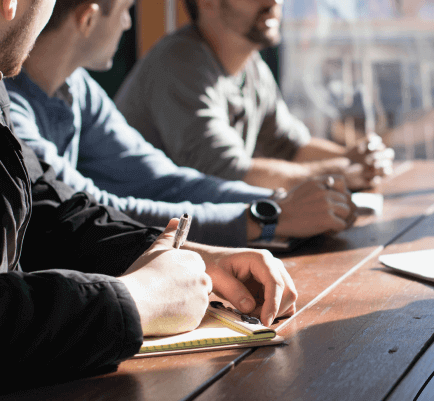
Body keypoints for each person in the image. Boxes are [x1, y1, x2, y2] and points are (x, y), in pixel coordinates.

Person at [0, 0, 296, 386]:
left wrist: (182, 255)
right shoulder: (180, 61)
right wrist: (138, 298)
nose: (128, 23)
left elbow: (52, 211)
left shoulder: (45, 89)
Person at [6, 0, 356, 248]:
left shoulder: (76, 87)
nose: (128, 24)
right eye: (127, 9)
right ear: (87, 19)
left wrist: (276, 201)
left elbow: (161, 180)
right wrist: (266, 217)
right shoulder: (10, 111)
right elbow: (91, 212)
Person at [114, 0, 395, 192]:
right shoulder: (179, 63)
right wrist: (342, 171)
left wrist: (355, 157)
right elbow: (227, 174)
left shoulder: (251, 65)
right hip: (149, 240)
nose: (275, 2)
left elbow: (290, 146)